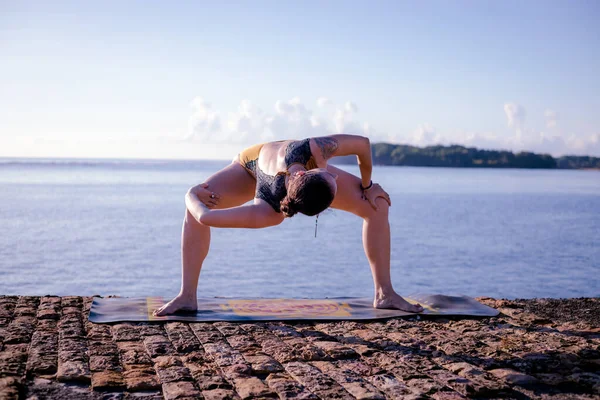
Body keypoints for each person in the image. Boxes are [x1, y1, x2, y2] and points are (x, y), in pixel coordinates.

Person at [153, 134, 424, 316]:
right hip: (250, 164)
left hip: (274, 171)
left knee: (377, 205)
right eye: (333, 177)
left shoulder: (305, 161)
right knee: (199, 201)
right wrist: (190, 194)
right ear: (309, 170)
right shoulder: (275, 203)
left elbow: (363, 145)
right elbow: (203, 217)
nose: (337, 177)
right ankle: (187, 296)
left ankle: (384, 293)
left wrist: (368, 187)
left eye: (333, 179)